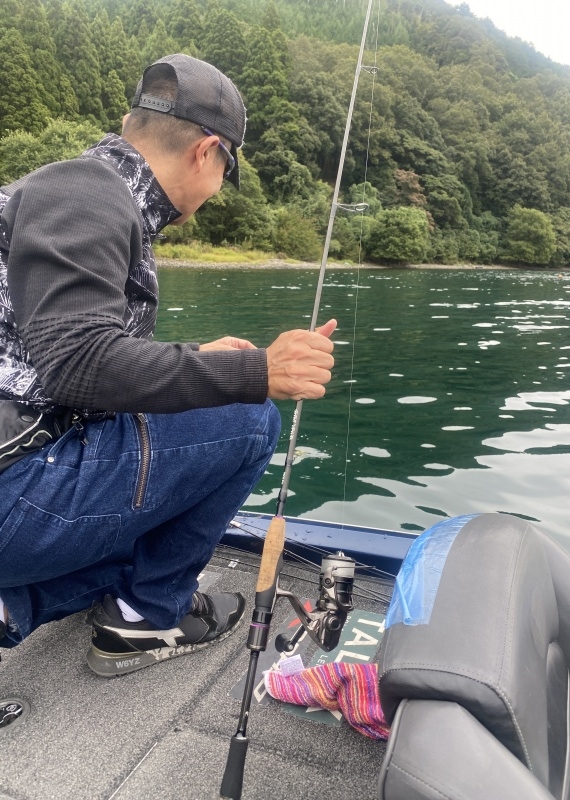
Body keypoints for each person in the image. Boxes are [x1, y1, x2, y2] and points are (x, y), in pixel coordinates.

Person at [0, 54, 336, 677]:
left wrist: (196, 358)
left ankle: (15, 604)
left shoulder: (77, 194)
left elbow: (48, 353)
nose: (215, 191)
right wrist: (256, 374)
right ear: (207, 151)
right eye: (225, 172)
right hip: (14, 499)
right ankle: (148, 616)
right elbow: (77, 362)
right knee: (251, 419)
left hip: (16, 485)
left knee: (150, 535)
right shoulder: (84, 193)